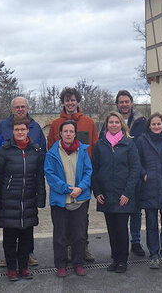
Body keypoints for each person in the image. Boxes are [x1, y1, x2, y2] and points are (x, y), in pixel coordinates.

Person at [0, 96, 46, 267]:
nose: (20, 109)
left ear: (28, 108)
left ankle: (28, 254)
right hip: (10, 184)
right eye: (17, 107)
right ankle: (9, 257)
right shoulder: (1, 126)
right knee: (10, 225)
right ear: (12, 109)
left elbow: (42, 151)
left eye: (23, 106)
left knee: (28, 222)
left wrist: (36, 172)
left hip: (29, 182)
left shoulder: (35, 127)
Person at [46, 87, 98, 263]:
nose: (70, 103)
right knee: (62, 220)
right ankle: (66, 250)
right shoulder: (55, 124)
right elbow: (51, 150)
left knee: (82, 219)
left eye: (73, 100)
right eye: (67, 100)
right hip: (62, 180)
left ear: (77, 101)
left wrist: (86, 180)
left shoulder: (88, 123)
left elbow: (94, 148)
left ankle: (83, 248)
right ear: (63, 102)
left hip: (82, 180)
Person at [92, 111, 140, 273]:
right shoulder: (100, 144)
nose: (113, 125)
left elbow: (135, 170)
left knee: (121, 229)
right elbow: (95, 169)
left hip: (123, 195)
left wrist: (127, 193)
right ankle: (115, 258)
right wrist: (97, 191)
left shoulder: (129, 144)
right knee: (111, 229)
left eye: (116, 122)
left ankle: (122, 260)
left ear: (121, 124)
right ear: (106, 125)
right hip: (106, 194)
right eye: (110, 122)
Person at [100, 90, 147, 256]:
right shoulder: (109, 122)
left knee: (135, 210)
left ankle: (135, 241)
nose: (124, 104)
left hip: (136, 170)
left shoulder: (142, 121)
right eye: (121, 102)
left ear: (131, 103)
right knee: (118, 214)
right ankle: (119, 249)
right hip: (116, 175)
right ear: (117, 104)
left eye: (127, 101)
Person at [44, 120, 92, 277]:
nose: (68, 134)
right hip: (60, 200)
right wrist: (66, 189)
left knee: (79, 235)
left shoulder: (83, 151)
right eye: (65, 131)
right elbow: (49, 174)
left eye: (71, 131)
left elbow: (88, 171)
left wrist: (80, 188)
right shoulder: (52, 153)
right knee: (60, 235)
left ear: (75, 133)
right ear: (60, 133)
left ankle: (78, 263)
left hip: (80, 199)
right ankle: (61, 264)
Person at [135, 113, 162, 269]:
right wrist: (144, 174)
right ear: (149, 126)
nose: (156, 127)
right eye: (153, 124)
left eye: (159, 124)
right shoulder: (142, 141)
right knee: (151, 224)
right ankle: (154, 255)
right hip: (150, 187)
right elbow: (137, 161)